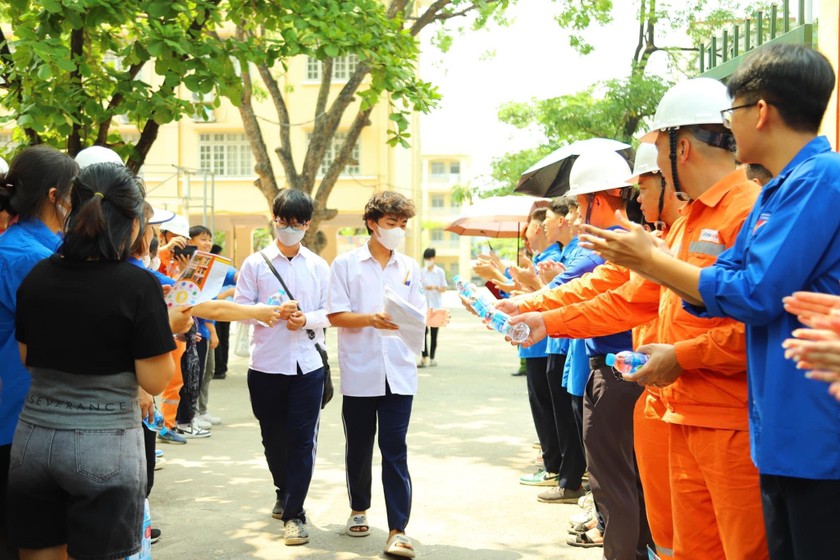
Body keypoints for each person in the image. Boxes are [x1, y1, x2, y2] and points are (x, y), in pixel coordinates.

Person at [579, 44, 840, 560]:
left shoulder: (820, 181)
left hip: (804, 430)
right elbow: (723, 279)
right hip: (775, 427)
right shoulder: (776, 191)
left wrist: (655, 264)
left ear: (760, 112)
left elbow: (755, 294)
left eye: (733, 114)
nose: (728, 130)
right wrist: (660, 264)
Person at [9, 162, 176, 560]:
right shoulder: (139, 286)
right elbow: (155, 380)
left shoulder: (38, 277)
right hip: (105, 445)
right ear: (133, 224)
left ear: (72, 209)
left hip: (35, 439)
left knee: (39, 553)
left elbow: (27, 357)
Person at [327, 191, 426, 559]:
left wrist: (428, 321)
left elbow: (417, 314)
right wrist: (370, 319)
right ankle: (358, 508)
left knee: (395, 450)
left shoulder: (410, 268)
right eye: (391, 224)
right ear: (372, 223)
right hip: (361, 370)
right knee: (360, 447)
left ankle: (399, 530)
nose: (398, 231)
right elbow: (335, 315)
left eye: (402, 225)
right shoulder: (346, 265)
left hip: (399, 371)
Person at [235, 189, 330, 546]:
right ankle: (283, 490)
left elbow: (330, 312)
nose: (289, 228)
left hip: (307, 366)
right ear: (273, 219)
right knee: (273, 438)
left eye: (297, 222)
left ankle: (295, 513)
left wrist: (306, 318)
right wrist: (269, 313)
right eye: (283, 221)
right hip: (266, 366)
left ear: (307, 224)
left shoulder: (319, 266)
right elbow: (242, 308)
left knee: (302, 440)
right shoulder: (255, 263)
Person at [0, 146, 78, 557]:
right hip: (22, 420)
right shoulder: (28, 257)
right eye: (74, 192)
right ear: (54, 196)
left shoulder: (35, 249)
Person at [419, 247, 446, 367]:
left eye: (429, 258)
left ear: (433, 258)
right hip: (424, 306)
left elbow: (444, 288)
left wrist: (435, 287)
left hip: (436, 306)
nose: (428, 261)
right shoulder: (421, 271)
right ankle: (424, 357)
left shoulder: (439, 272)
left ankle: (432, 358)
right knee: (422, 333)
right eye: (426, 259)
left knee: (434, 334)